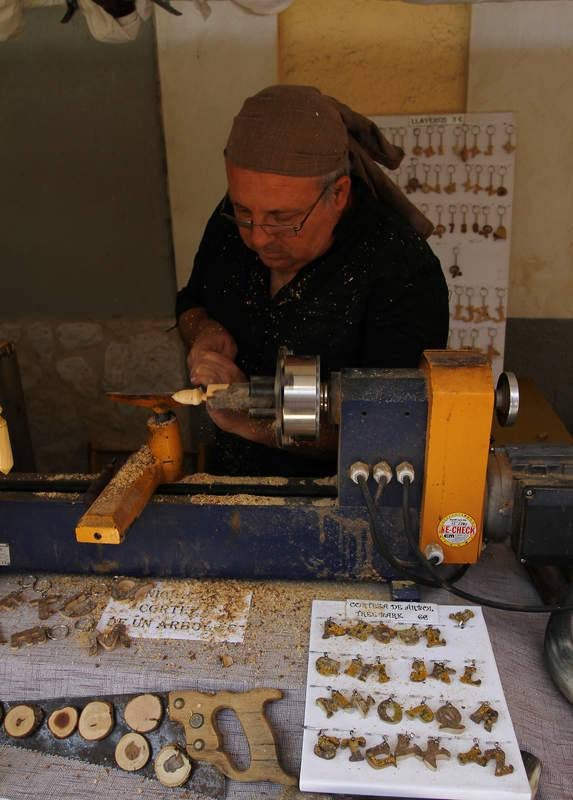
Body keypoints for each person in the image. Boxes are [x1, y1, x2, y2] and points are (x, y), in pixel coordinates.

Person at [176, 85, 449, 477]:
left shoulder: (400, 269)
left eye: (283, 219)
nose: (257, 237)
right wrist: (203, 331)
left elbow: (393, 431)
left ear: (338, 194)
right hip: (233, 485)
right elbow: (191, 301)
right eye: (243, 211)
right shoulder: (229, 226)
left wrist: (250, 420)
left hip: (345, 505)